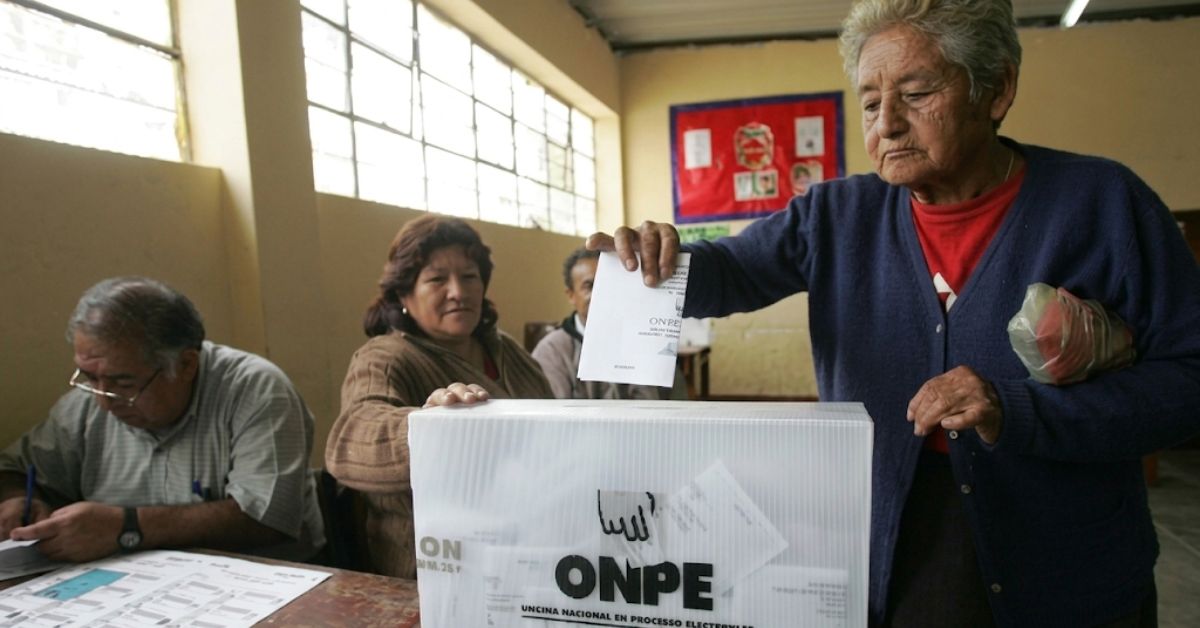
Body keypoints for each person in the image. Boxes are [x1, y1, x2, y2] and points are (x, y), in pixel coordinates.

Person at [588, 0, 1200, 626]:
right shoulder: (835, 216)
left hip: (1067, 559)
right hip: (896, 543)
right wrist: (660, 260)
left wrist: (1019, 409)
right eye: (870, 102)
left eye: (916, 93)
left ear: (996, 90)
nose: (888, 124)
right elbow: (731, 270)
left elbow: (1189, 377)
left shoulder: (1102, 204)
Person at [0, 277, 324, 563]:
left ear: (186, 365)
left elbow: (266, 519)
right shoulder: (87, 403)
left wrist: (125, 526)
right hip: (133, 585)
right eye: (89, 377)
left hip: (268, 583)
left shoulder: (256, 390)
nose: (103, 400)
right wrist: (18, 499)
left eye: (124, 383)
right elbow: (14, 468)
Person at [325, 214, 553, 578]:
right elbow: (352, 439)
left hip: (532, 551)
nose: (458, 292)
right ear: (403, 293)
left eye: (470, 276)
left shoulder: (506, 351)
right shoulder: (384, 357)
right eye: (436, 279)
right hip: (439, 571)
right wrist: (432, 426)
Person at [532, 247, 685, 400]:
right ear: (571, 295)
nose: (601, 293)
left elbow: (655, 404)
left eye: (607, 283)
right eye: (589, 286)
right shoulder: (551, 350)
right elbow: (555, 411)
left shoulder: (643, 340)